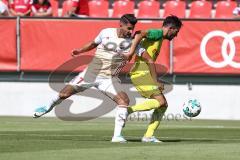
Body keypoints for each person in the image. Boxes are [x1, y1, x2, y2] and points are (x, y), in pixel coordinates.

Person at [33, 14, 138, 142]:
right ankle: (47, 107)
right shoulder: (106, 32)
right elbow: (94, 43)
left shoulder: (133, 42)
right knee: (63, 94)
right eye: (128, 28)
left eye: (132, 29)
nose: (130, 31)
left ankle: (117, 136)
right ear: (120, 24)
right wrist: (80, 50)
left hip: (109, 79)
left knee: (124, 101)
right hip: (91, 74)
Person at [113, 15, 182, 143]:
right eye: (176, 32)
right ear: (171, 28)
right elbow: (139, 34)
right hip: (141, 73)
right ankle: (128, 111)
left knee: (163, 105)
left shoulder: (159, 37)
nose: (176, 35)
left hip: (144, 73)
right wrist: (131, 51)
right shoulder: (157, 33)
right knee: (161, 102)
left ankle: (148, 136)